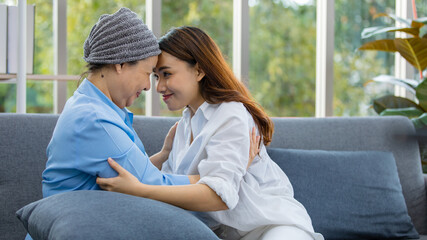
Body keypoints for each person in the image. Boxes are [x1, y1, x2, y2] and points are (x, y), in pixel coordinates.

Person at [97, 26, 324, 240]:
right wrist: (165, 154)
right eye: (156, 76)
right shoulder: (185, 124)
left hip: (271, 226)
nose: (158, 87)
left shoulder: (230, 114)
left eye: (166, 74)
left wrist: (141, 191)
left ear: (199, 70)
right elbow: (166, 184)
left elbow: (218, 196)